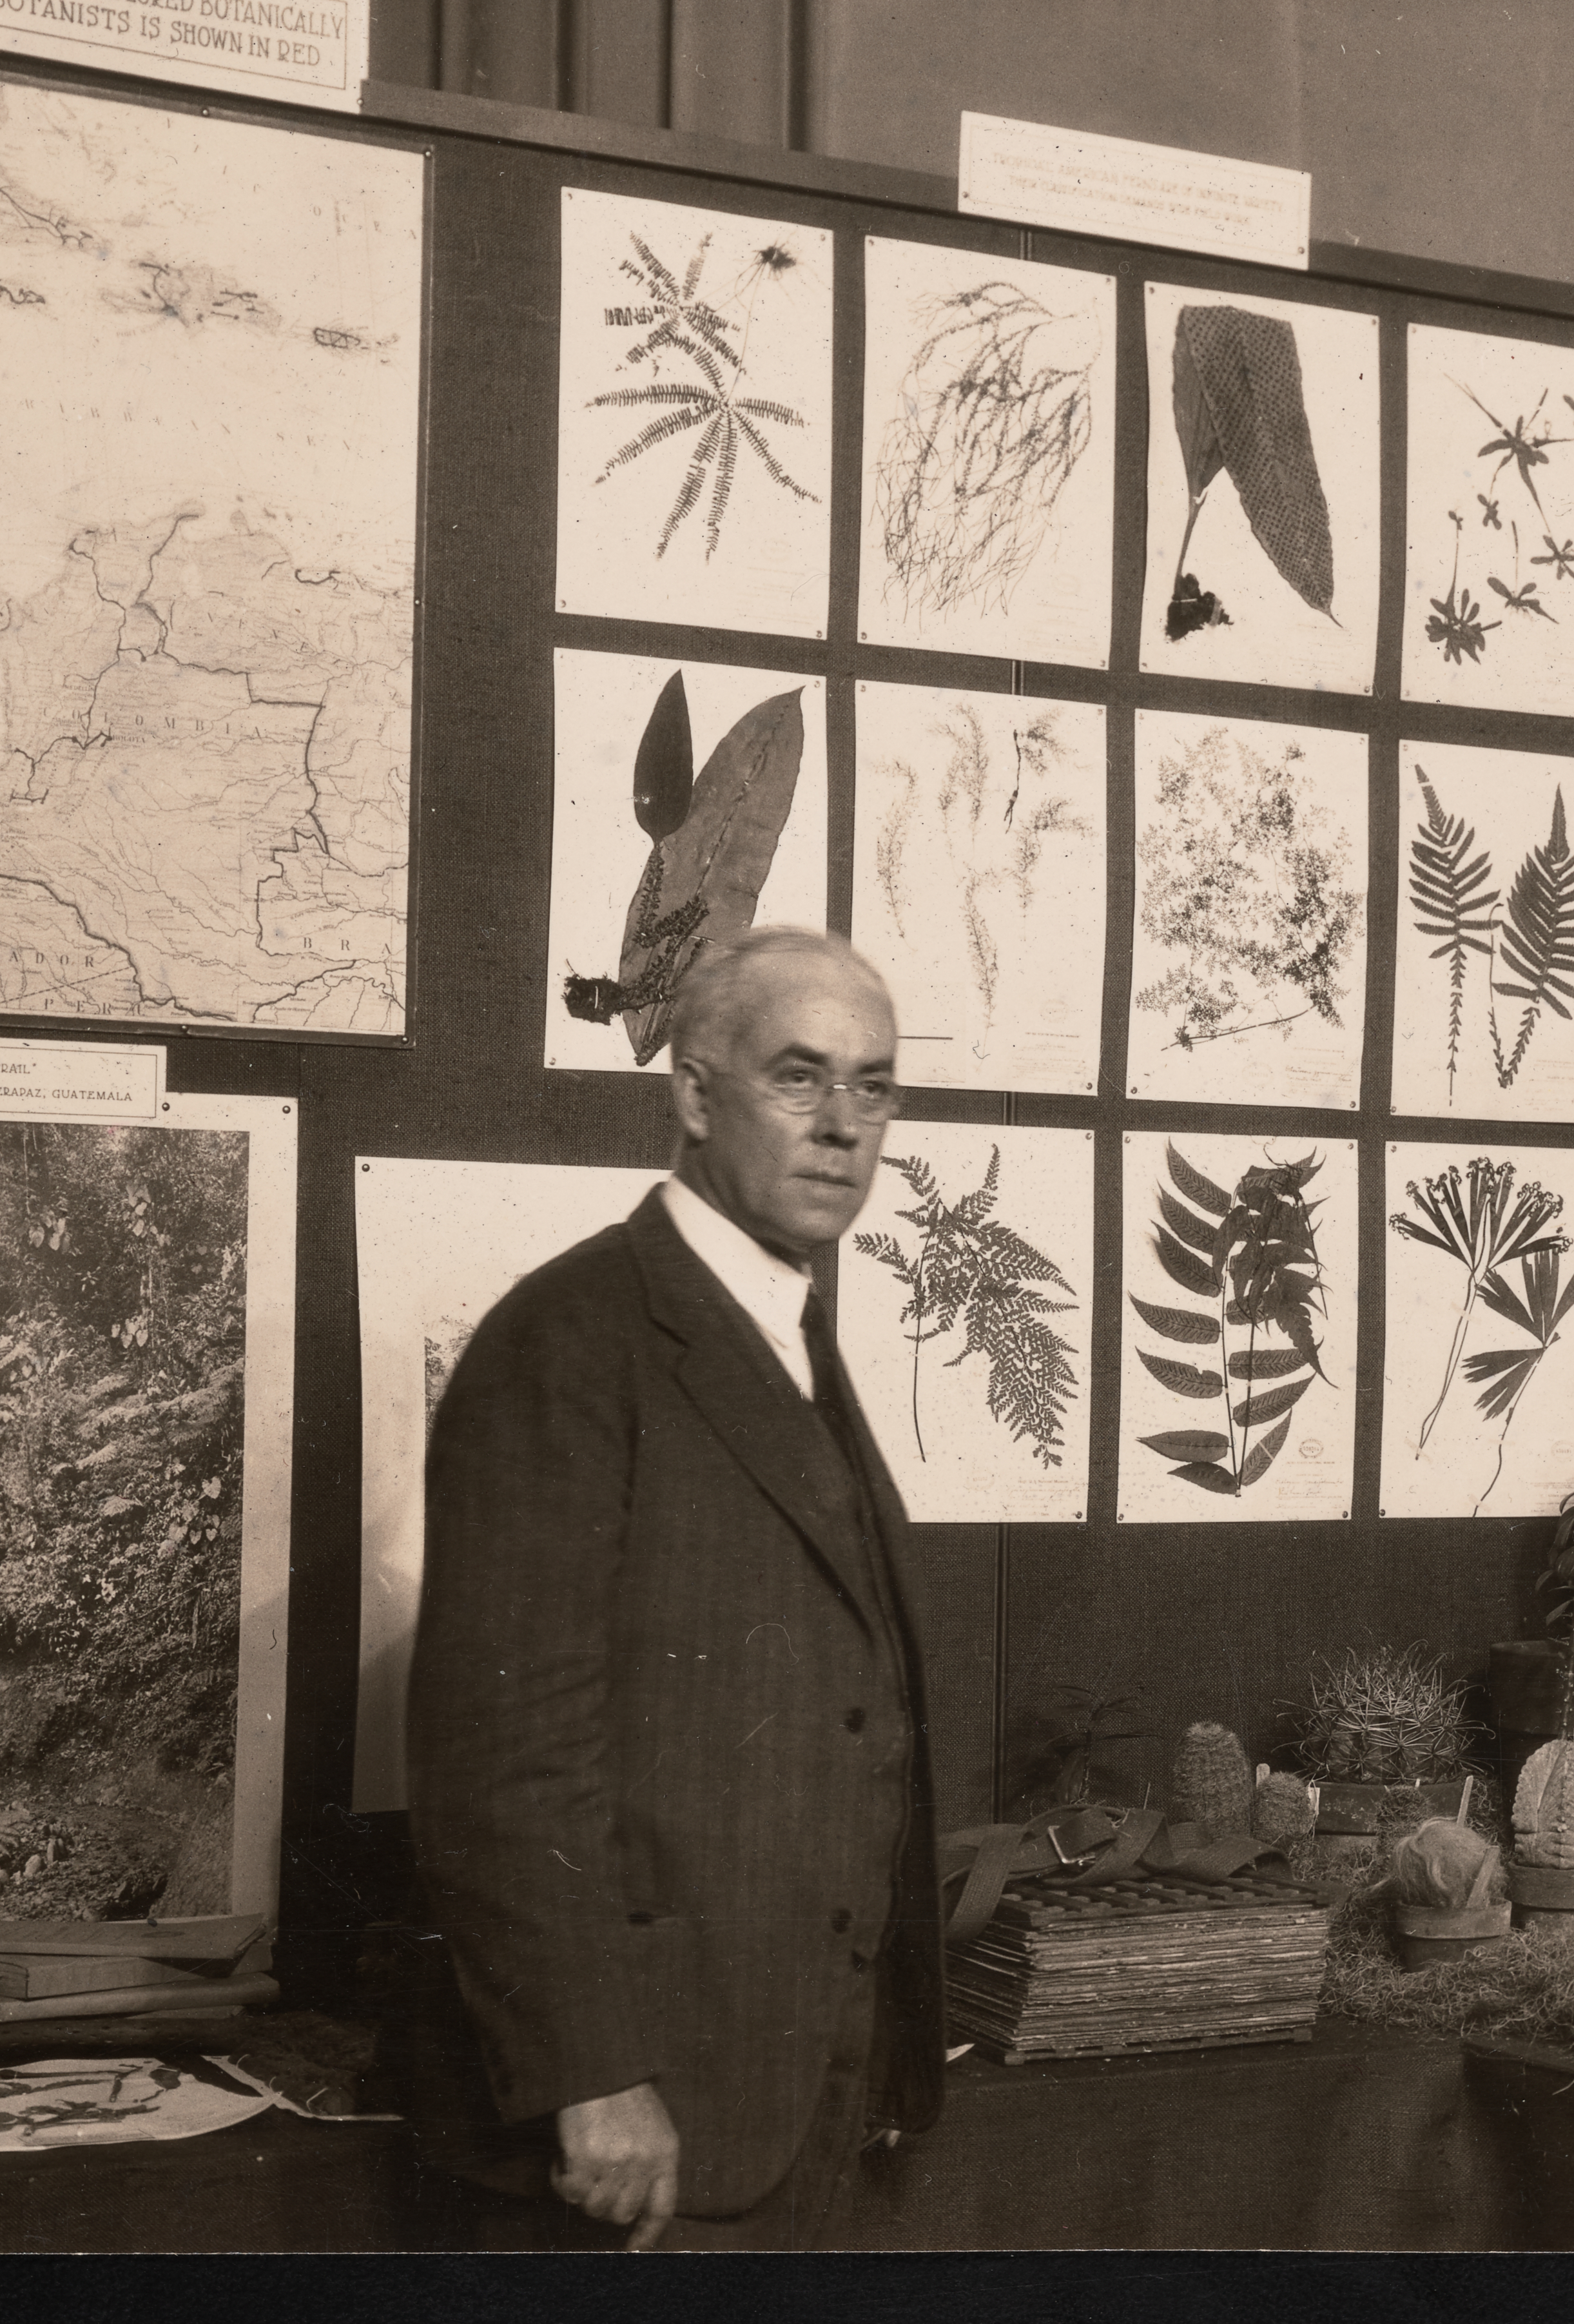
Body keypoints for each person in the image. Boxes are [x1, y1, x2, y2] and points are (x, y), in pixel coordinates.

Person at [406, 926, 943, 2249]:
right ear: (696, 1096)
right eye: (800, 1077)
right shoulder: (574, 1338)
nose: (842, 1128)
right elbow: (501, 1751)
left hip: (804, 2093)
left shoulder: (781, 1325)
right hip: (649, 2123)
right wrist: (592, 2071)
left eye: (872, 1087)